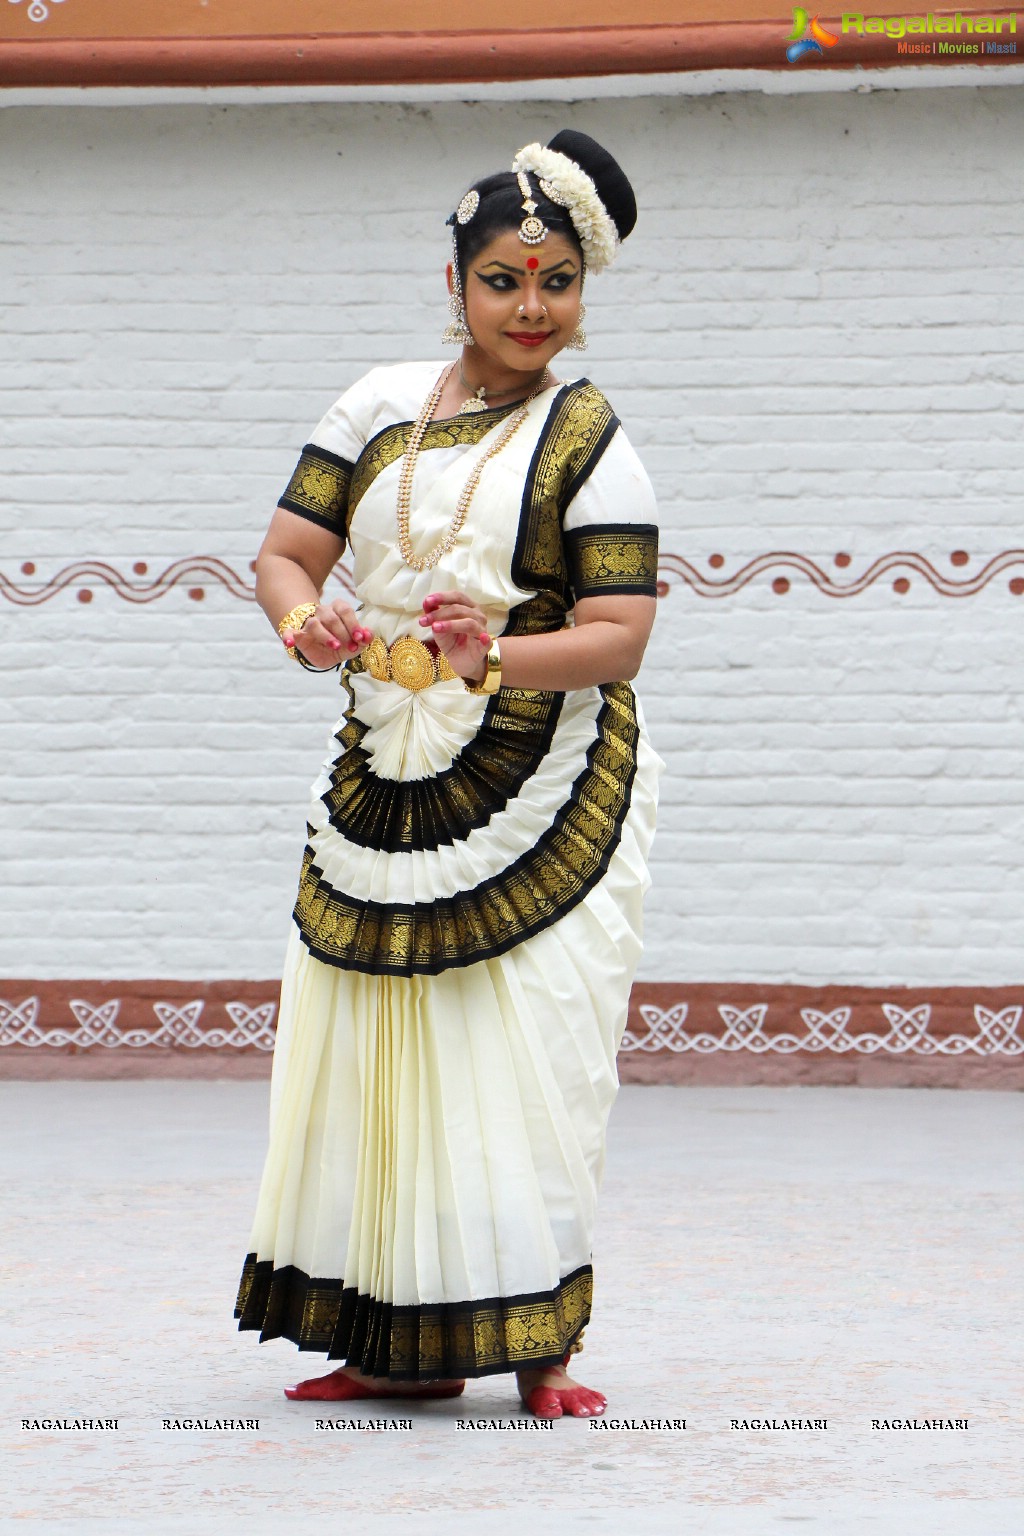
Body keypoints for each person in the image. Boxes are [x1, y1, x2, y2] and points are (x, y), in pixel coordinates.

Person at [233, 129, 662, 1421]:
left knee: (523, 1051)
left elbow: (622, 633)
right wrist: (301, 619)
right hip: (385, 778)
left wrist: (495, 659)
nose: (531, 308)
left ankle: (542, 1349)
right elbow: (283, 555)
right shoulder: (371, 410)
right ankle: (393, 1341)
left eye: (557, 280)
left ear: (583, 290)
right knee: (378, 1047)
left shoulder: (592, 440)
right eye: (503, 279)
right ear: (455, 282)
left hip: (544, 783)